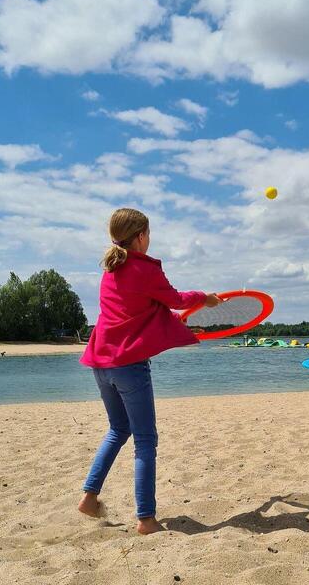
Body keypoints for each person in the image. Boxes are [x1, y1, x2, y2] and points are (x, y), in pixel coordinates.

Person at [77, 208, 221, 535]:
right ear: (141, 236)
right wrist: (206, 298)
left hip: (101, 362)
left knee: (117, 429)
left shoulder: (110, 269)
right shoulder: (143, 268)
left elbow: (144, 308)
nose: (150, 238)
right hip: (129, 364)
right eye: (149, 233)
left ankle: (89, 496)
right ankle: (146, 519)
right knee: (145, 440)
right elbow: (175, 299)